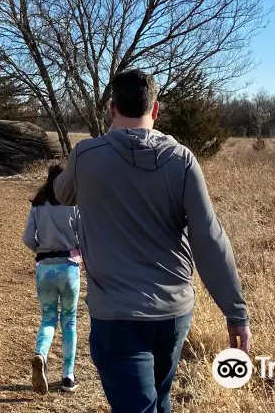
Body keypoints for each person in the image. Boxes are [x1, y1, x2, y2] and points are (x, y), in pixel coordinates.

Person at [53, 69, 250, 413]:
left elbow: (63, 193)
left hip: (116, 315)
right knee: (158, 401)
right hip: (173, 313)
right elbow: (210, 238)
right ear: (155, 110)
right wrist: (236, 313)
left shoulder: (86, 155)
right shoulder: (182, 160)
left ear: (111, 108)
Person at [22, 162, 81, 395]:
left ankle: (42, 354)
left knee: (48, 319)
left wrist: (41, 250)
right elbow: (83, 236)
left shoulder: (37, 205)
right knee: (70, 322)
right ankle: (68, 376)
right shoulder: (74, 205)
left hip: (45, 269)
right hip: (69, 269)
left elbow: (27, 238)